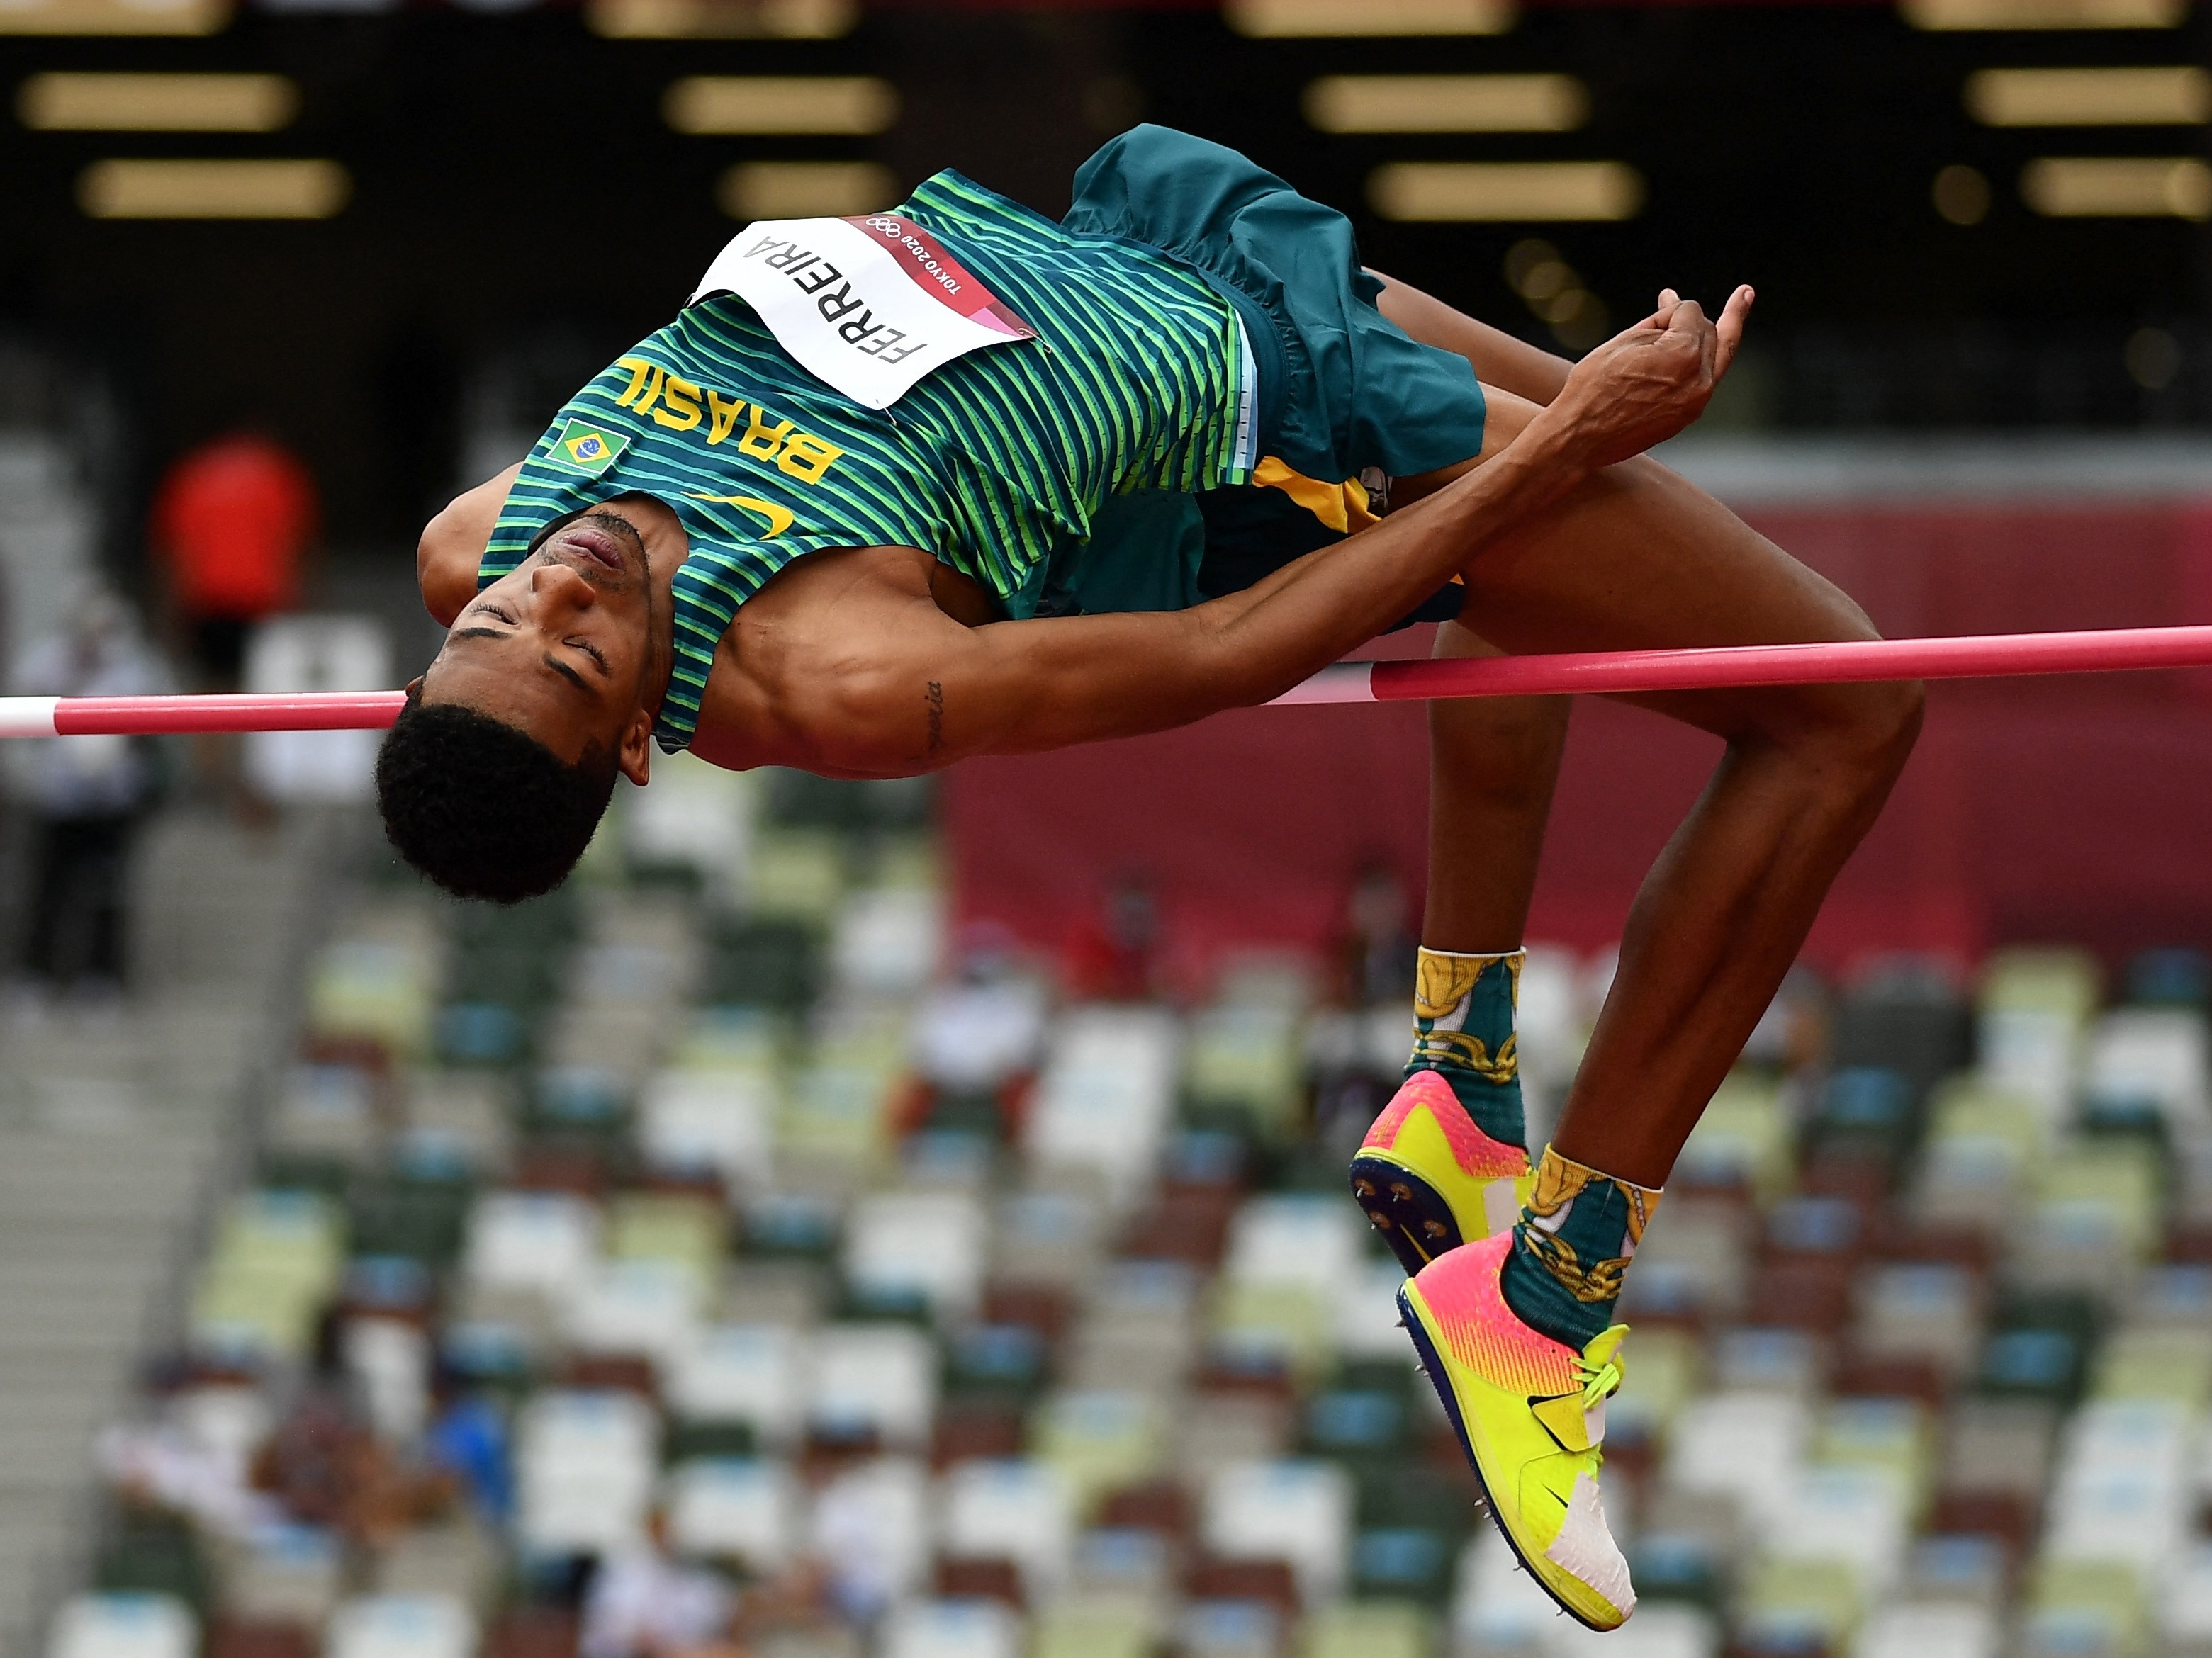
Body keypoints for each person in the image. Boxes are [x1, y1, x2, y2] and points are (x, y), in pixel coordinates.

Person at [390, 126, 1921, 1626]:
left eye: (500, 629)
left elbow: (526, 617)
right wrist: (1569, 438)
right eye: (581, 652)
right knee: (1843, 702)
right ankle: (1547, 1304)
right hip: (1295, 423)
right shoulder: (839, 676)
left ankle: (1459, 1084)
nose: (559, 590)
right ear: (640, 740)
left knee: (1616, 515)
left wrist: (1576, 435)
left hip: (1147, 253)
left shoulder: (481, 539)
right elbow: (1224, 654)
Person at [8, 589, 167, 998]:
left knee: (108, 890)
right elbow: (20, 704)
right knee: (48, 888)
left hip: (111, 802)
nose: (95, 636)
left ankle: (103, 977)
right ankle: (36, 975)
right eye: (88, 628)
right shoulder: (46, 658)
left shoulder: (133, 665)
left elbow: (153, 724)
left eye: (104, 629)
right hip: (59, 800)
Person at [148, 430, 316, 688]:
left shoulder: (193, 473)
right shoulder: (276, 472)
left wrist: (170, 612)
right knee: (264, 687)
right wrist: (302, 599)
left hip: (207, 599)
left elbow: (173, 548)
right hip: (263, 599)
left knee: (214, 689)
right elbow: (296, 541)